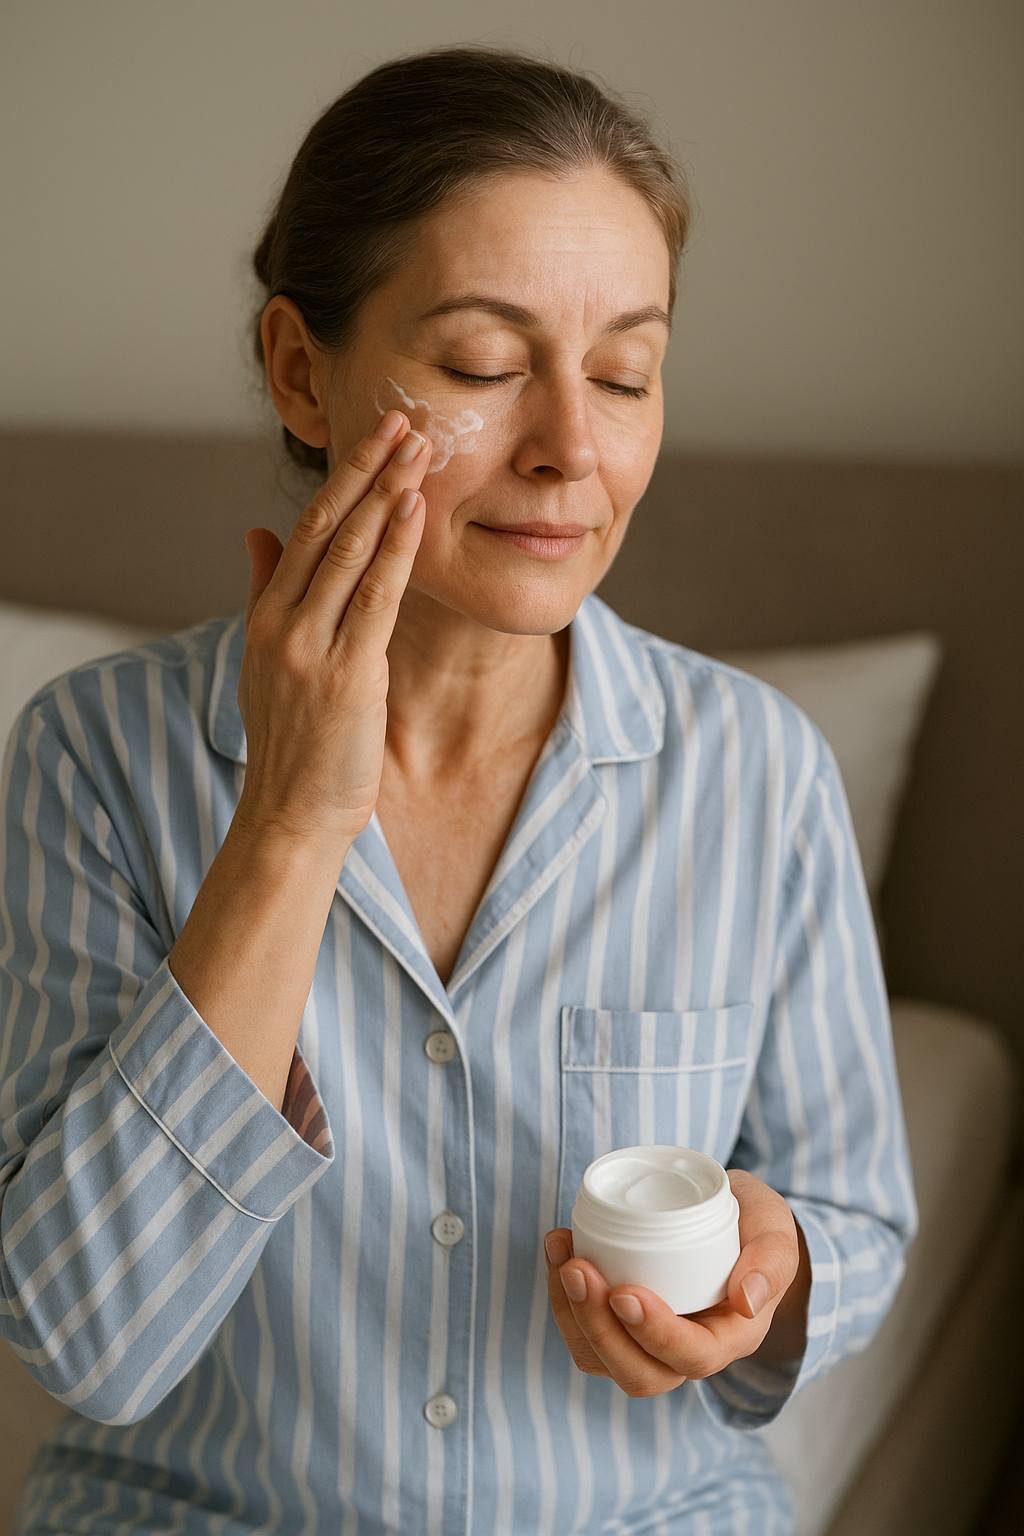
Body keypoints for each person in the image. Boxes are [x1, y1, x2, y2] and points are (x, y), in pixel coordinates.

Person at [0, 48, 915, 1535]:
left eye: (625, 373)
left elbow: (858, 1219)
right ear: (303, 371)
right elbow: (84, 1338)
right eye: (485, 366)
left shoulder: (757, 770)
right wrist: (290, 821)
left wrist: (774, 1272)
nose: (571, 450)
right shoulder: (95, 758)